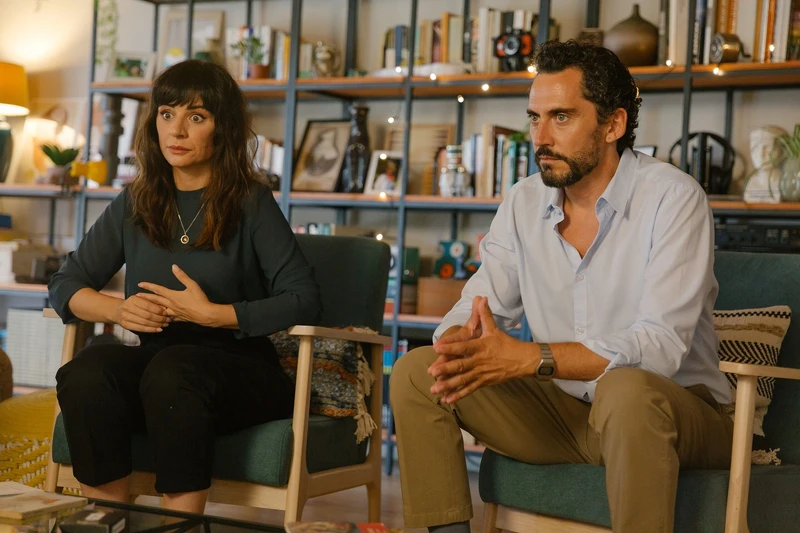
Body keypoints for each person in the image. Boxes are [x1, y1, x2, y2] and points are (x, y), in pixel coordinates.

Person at [389, 40, 734, 533]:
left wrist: (531, 358)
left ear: (613, 125)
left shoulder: (674, 198)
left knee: (625, 391)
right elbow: (480, 302)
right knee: (416, 370)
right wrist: (460, 344)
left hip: (676, 413)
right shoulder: (523, 201)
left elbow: (659, 348)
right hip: (565, 415)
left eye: (562, 117)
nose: (541, 137)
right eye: (535, 118)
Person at [49, 59, 322, 514]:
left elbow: (305, 300)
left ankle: (179, 525)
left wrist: (214, 314)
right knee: (88, 371)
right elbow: (65, 283)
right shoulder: (136, 201)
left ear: (222, 128)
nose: (176, 130)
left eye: (197, 116)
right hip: (159, 368)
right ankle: (107, 521)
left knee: (174, 371)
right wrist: (119, 310)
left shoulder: (250, 201)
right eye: (167, 113)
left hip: (243, 372)